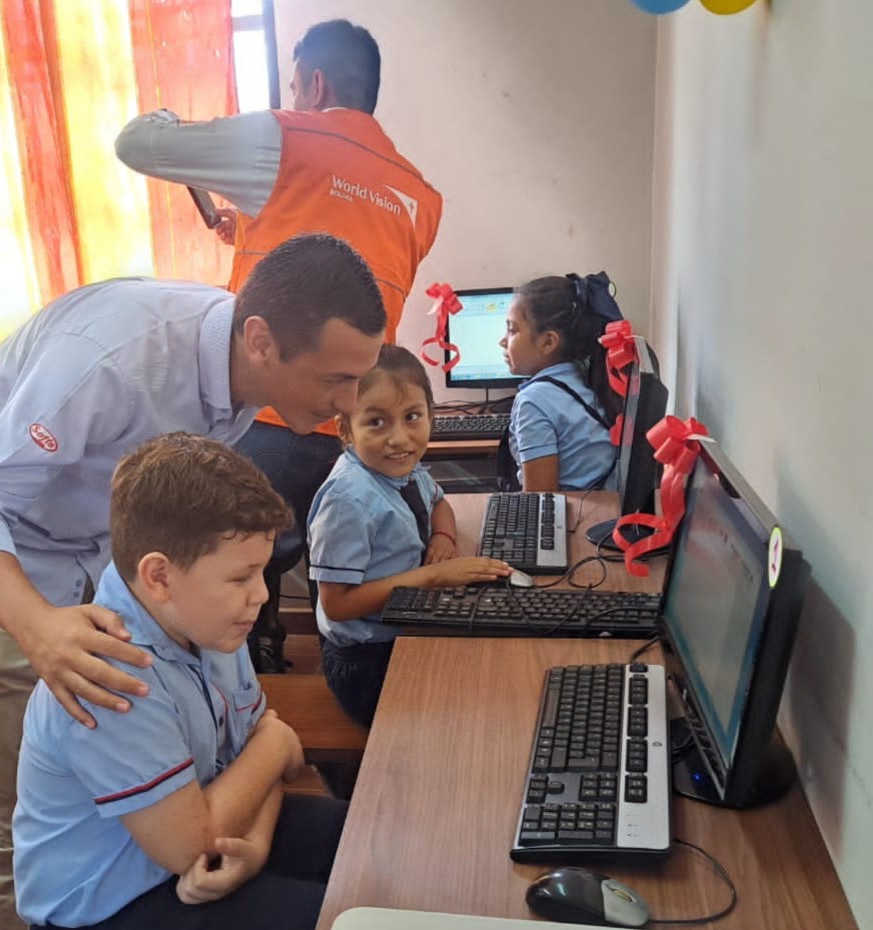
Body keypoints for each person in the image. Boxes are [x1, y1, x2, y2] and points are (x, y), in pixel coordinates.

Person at [0, 233, 384, 930]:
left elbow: (246, 737)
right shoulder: (112, 360)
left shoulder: (236, 390)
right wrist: (41, 627)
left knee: (171, 768)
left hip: (110, 565)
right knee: (23, 816)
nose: (348, 404)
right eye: (337, 380)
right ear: (263, 341)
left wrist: (253, 793)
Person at [116, 19, 443, 665]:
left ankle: (241, 680)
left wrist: (169, 114)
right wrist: (249, 224)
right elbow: (345, 262)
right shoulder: (420, 196)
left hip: (268, 415)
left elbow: (138, 144)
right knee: (340, 569)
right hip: (355, 414)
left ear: (314, 84)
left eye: (294, 87)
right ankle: (332, 675)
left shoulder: (288, 138)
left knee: (227, 574)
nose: (292, 98)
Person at [15, 434, 345, 930]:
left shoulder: (207, 624)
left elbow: (266, 757)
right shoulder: (112, 671)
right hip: (111, 920)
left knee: (369, 847)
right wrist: (273, 745)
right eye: (242, 577)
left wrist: (256, 844)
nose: (261, 595)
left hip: (205, 838)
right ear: (160, 577)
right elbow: (190, 843)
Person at [308, 346, 511, 732]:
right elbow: (337, 604)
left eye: (412, 417)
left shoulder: (405, 469)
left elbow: (439, 503)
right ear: (345, 429)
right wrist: (433, 576)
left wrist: (443, 538)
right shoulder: (347, 501)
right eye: (376, 422)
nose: (399, 438)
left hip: (405, 623)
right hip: (367, 661)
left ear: (432, 416)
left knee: (495, 664)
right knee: (469, 717)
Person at [498, 274, 623, 493]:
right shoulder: (585, 376)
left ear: (548, 342)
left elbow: (539, 498)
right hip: (603, 504)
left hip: (573, 510)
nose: (502, 341)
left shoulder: (533, 401)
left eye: (512, 330)